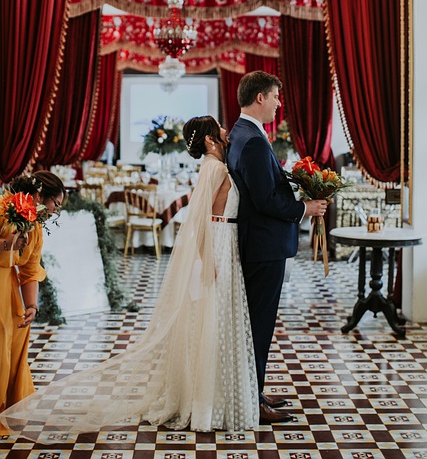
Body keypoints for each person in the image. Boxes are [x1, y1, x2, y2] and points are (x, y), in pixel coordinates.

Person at [0, 116, 259, 440]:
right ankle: (206, 402)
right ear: (209, 140)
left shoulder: (217, 166)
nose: (226, 132)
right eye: (220, 129)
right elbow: (202, 221)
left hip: (224, 245)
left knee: (213, 324)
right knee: (211, 323)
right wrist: (209, 261)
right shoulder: (216, 168)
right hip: (218, 248)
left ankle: (210, 396)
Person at [227, 71, 328, 424]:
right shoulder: (252, 140)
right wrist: (305, 208)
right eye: (275, 97)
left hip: (260, 244)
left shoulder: (243, 133)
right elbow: (266, 199)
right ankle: (252, 402)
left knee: (256, 324)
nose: (278, 104)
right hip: (264, 247)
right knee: (259, 325)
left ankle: (254, 390)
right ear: (260, 98)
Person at [0, 171, 66, 432]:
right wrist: (8, 245)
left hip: (9, 292)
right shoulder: (4, 209)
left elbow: (30, 268)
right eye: (56, 205)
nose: (55, 212)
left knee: (13, 349)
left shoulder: (35, 226)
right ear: (39, 195)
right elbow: (7, 246)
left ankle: (6, 407)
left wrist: (31, 305)